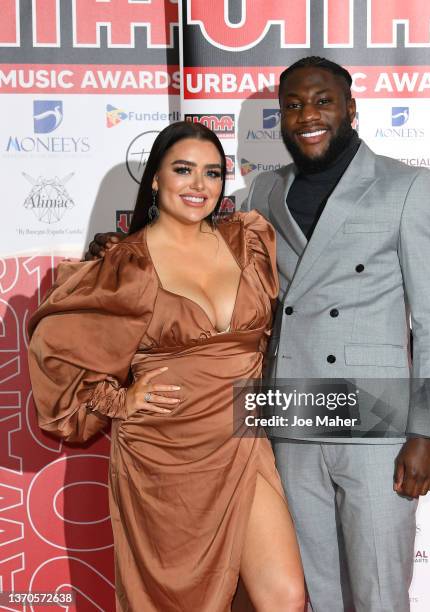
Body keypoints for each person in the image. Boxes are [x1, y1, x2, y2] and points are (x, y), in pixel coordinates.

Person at [87, 57, 430, 612]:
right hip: (289, 420)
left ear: (350, 109)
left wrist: (426, 433)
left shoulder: (405, 186)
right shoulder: (263, 193)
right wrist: (117, 253)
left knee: (380, 590)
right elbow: (193, 247)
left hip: (377, 426)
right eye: (292, 106)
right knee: (312, 592)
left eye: (322, 101)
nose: (307, 115)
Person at [28, 121, 306, 612]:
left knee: (284, 595)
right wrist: (117, 399)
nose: (199, 185)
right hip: (163, 454)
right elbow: (54, 349)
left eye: (213, 173)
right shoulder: (125, 264)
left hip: (244, 439)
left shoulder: (248, 240)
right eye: (183, 170)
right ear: (155, 178)